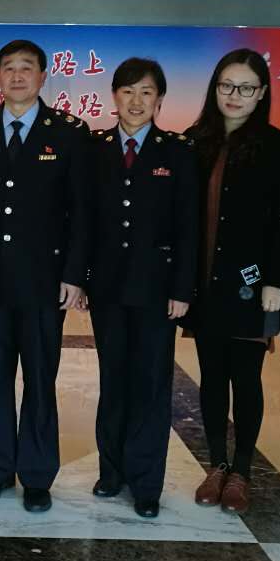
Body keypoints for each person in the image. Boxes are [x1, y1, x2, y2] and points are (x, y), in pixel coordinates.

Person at [0, 40, 91, 513]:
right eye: (8, 68)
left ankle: (36, 474)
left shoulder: (69, 132)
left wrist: (74, 273)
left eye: (26, 68)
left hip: (45, 280)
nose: (17, 76)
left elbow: (81, 210)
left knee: (39, 377)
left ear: (42, 76)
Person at [183, 49, 280, 515]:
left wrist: (278, 280)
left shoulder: (277, 147)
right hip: (204, 283)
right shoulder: (196, 141)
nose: (235, 95)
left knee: (246, 379)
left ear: (262, 92)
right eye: (227, 85)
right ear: (215, 88)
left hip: (253, 284)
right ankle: (217, 465)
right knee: (211, 377)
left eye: (246, 87)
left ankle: (243, 471)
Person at [87, 57, 197, 519]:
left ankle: (146, 482)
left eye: (146, 92)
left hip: (157, 289)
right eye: (128, 91)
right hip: (107, 287)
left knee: (151, 384)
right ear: (114, 96)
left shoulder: (178, 152)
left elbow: (189, 226)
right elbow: (82, 218)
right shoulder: (94, 148)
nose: (136, 101)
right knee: (113, 378)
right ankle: (111, 471)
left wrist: (183, 288)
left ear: (159, 99)